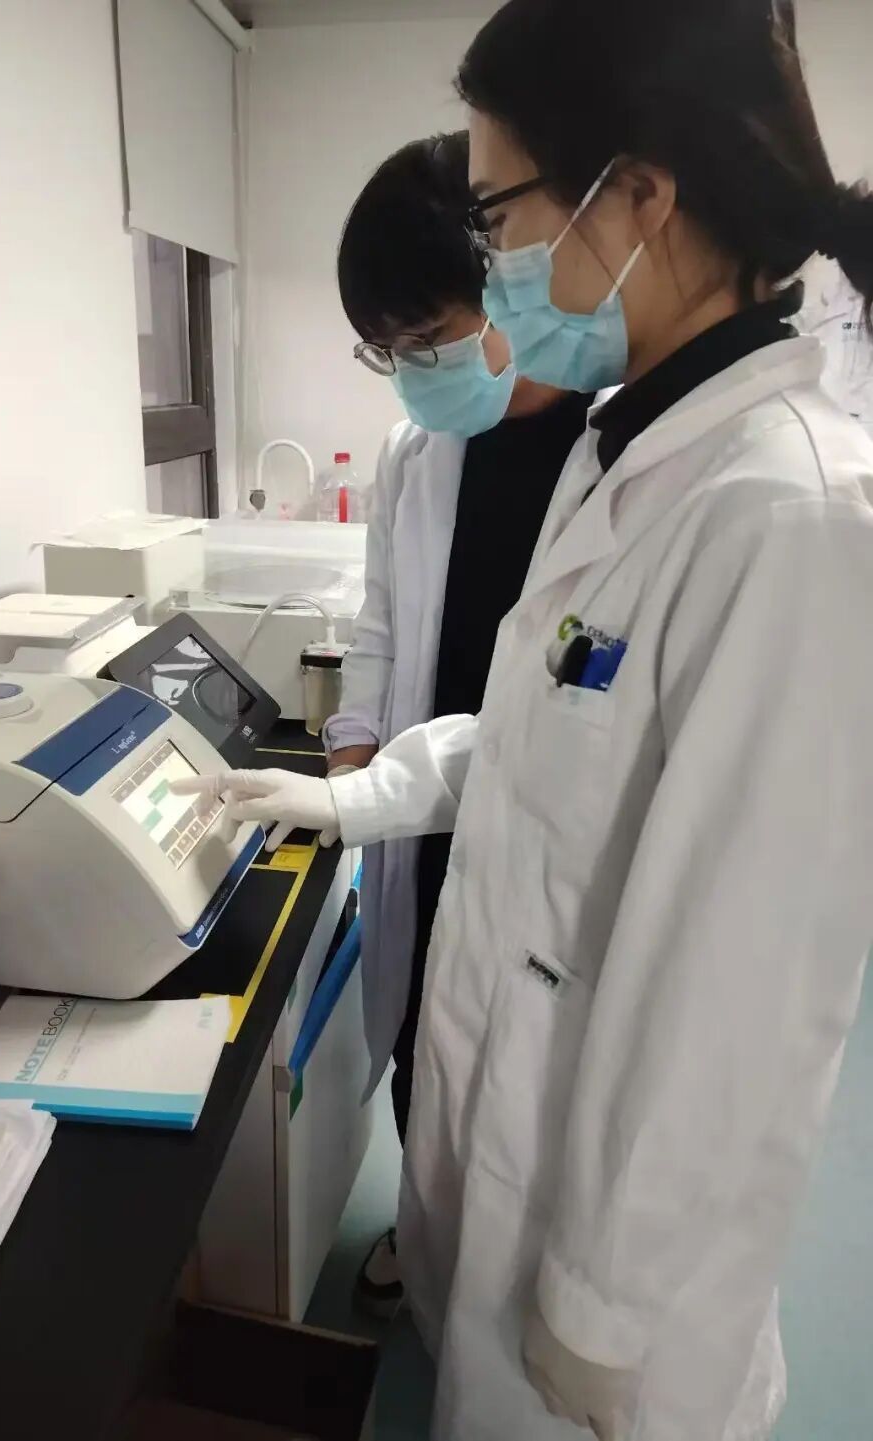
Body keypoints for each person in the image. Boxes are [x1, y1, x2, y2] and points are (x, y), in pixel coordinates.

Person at [176, 1, 873, 1435]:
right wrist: (354, 795)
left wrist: (606, 1317)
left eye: (497, 216)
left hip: (614, 1300)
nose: (491, 264)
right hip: (510, 1190)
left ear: (640, 194)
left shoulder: (793, 516)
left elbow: (740, 994)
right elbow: (541, 743)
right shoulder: (637, 459)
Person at [327, 131, 591, 1318]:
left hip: (549, 819)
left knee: (526, 1055)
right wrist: (349, 767)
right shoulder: (415, 453)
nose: (411, 370)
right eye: (388, 350)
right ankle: (422, 1229)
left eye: (428, 335)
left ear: (512, 288)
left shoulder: (611, 447)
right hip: (420, 817)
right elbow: (378, 624)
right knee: (421, 1036)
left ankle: (506, 1269)